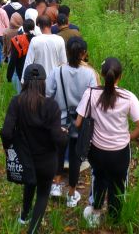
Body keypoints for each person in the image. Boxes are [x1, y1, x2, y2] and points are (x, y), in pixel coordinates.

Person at [75, 57, 139, 227]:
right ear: (120, 76)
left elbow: (78, 123)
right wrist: (128, 136)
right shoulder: (128, 97)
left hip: (97, 151)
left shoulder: (90, 93)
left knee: (98, 178)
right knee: (118, 183)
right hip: (120, 152)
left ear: (101, 74)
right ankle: (115, 217)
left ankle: (96, 212)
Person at [1, 64, 67, 234]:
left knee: (30, 182)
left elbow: (6, 132)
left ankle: (24, 216)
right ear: (43, 83)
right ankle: (33, 230)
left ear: (25, 81)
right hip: (46, 161)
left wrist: (9, 151)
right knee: (43, 194)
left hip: (25, 157)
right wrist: (64, 136)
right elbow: (57, 138)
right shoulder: (51, 106)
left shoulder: (16, 102)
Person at [46, 37, 98, 207]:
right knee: (76, 158)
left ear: (67, 52)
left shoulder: (57, 71)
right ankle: (71, 193)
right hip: (80, 123)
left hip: (60, 120)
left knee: (58, 153)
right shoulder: (90, 74)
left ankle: (55, 184)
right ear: (83, 54)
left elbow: (48, 93)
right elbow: (93, 100)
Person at [24, 13, 67, 81]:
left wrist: (23, 80)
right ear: (52, 23)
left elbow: (28, 62)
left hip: (39, 81)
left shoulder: (35, 40)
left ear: (38, 25)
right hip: (55, 80)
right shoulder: (60, 39)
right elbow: (63, 63)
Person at [8, 17, 35, 93]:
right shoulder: (37, 39)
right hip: (35, 70)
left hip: (21, 69)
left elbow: (13, 59)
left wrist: (9, 76)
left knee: (22, 91)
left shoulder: (17, 40)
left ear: (23, 28)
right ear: (33, 27)